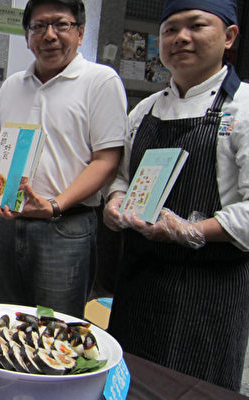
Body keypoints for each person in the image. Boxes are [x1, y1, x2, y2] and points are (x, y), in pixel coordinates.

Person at [103, 0, 249, 391]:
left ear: (230, 36)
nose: (180, 38)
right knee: (130, 382)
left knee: (194, 388)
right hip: (139, 281)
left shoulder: (244, 108)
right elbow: (122, 177)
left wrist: (191, 230)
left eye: (196, 26)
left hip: (209, 288)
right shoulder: (145, 111)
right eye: (170, 29)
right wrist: (115, 202)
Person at [0, 0, 127, 318]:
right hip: (7, 221)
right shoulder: (13, 85)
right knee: (2, 320)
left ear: (80, 32)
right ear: (27, 36)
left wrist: (55, 205)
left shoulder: (101, 81)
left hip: (65, 228)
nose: (49, 35)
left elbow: (107, 160)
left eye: (61, 24)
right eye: (38, 26)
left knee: (55, 326)